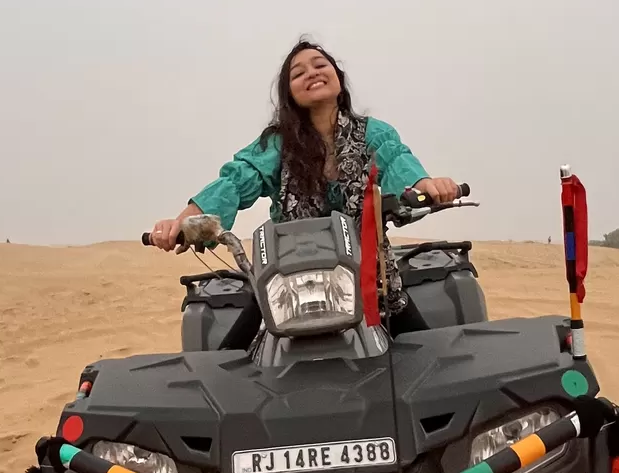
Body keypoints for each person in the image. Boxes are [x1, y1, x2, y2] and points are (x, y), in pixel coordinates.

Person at [149, 40, 459, 325]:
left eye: (320, 65)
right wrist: (184, 222)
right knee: (233, 356)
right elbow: (238, 179)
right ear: (290, 92)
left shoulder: (373, 134)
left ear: (338, 78)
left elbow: (397, 162)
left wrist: (426, 186)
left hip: (369, 274)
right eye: (298, 73)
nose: (312, 73)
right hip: (291, 279)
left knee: (424, 353)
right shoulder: (277, 144)